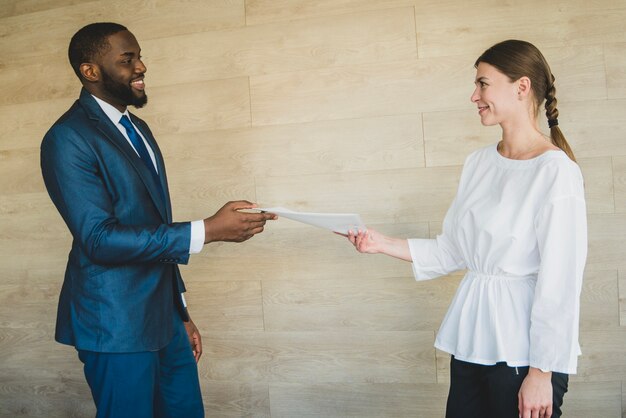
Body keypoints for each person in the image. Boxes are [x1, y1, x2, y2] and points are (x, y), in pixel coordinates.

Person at [40, 22, 276, 418]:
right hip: (114, 323)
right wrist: (208, 230)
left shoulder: (140, 129)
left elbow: (152, 225)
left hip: (165, 320)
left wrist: (180, 311)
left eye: (140, 56)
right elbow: (99, 238)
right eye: (127, 59)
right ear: (90, 71)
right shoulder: (67, 138)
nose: (141, 66)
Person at [345, 40, 587, 418]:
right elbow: (453, 250)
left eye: (483, 84)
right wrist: (378, 242)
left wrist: (542, 373)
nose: (474, 95)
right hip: (474, 340)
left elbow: (561, 281)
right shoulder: (478, 163)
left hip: (525, 353)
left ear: (521, 87)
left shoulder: (556, 173)